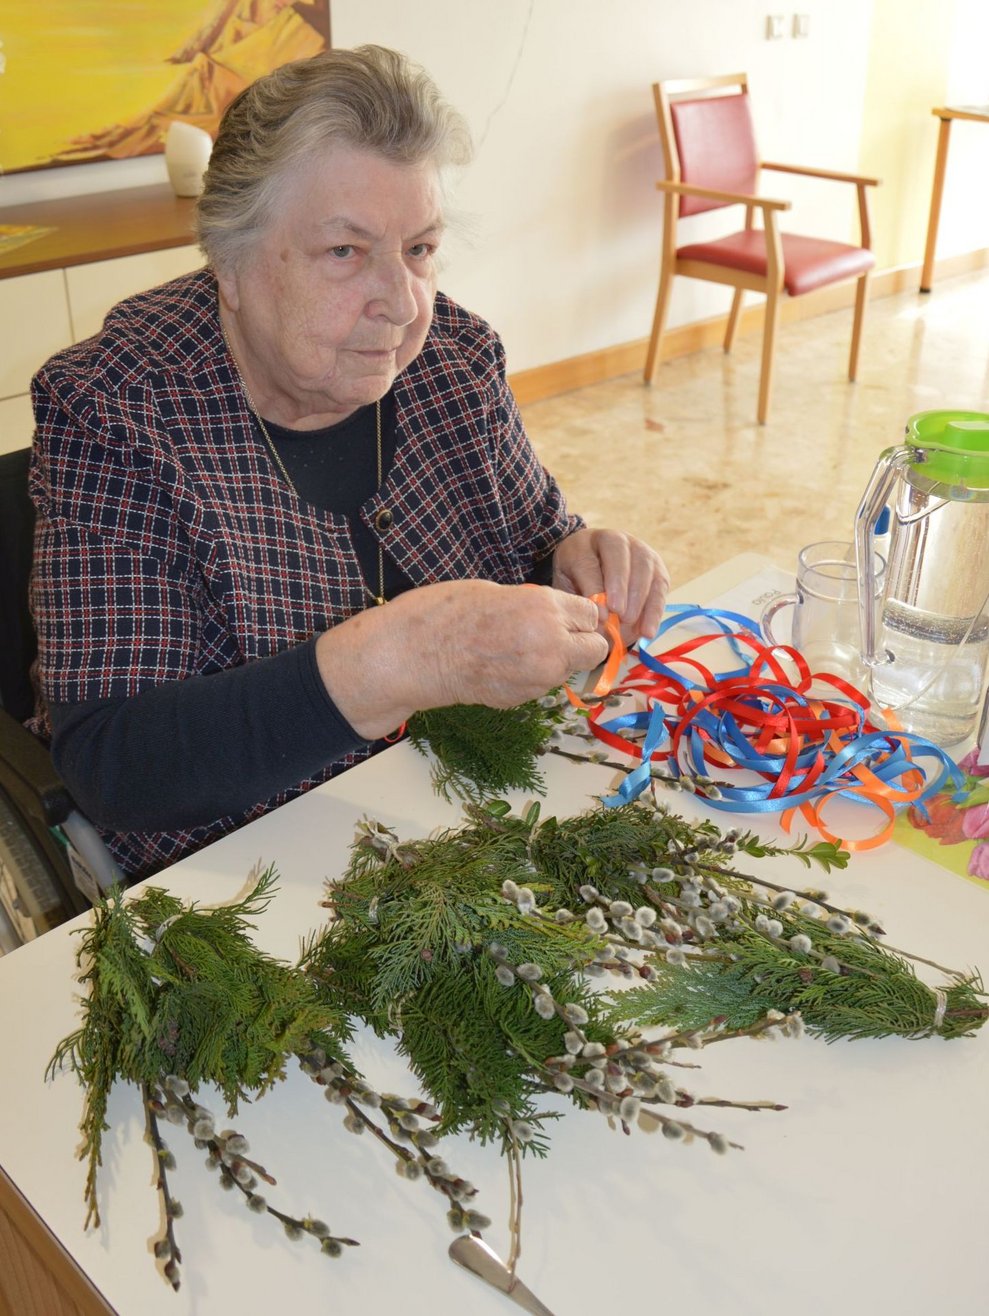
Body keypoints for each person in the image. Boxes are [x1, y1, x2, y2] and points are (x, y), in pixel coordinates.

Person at [28, 45, 669, 880]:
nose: (401, 305)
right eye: (345, 252)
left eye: (420, 248)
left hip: (462, 816)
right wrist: (401, 660)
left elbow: (532, 542)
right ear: (229, 260)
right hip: (250, 874)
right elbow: (118, 764)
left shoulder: (453, 356)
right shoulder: (117, 407)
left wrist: (574, 559)